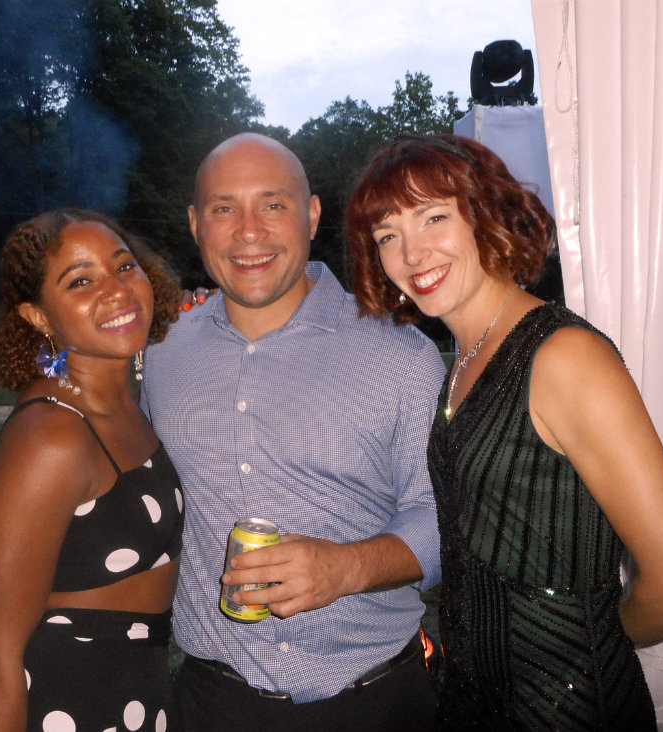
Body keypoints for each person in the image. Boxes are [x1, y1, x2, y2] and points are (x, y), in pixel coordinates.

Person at [345, 134, 663, 731]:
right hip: (474, 704)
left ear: (485, 216)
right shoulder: (466, 360)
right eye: (389, 235)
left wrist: (578, 656)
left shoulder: (565, 356)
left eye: (433, 217)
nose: (412, 253)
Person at [139, 133, 446, 732]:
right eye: (224, 208)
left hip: (373, 704)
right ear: (196, 224)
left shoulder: (400, 355)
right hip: (213, 703)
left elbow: (443, 514)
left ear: (310, 215)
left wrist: (345, 568)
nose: (248, 231)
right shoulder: (164, 356)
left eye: (273, 204)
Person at [0, 208, 184, 732]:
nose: (116, 290)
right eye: (81, 281)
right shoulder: (52, 436)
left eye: (124, 267)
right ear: (39, 317)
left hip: (139, 689)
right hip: (72, 702)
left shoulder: (124, 404)